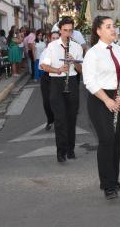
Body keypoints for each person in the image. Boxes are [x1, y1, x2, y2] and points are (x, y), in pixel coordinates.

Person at [83, 16, 120, 200]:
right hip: (100, 99)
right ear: (98, 31)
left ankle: (114, 177)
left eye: (114, 26)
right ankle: (107, 184)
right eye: (108, 26)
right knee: (106, 140)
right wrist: (106, 100)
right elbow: (89, 81)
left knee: (115, 140)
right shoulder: (93, 53)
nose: (113, 29)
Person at [39, 17, 83, 163]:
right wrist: (57, 70)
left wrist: (74, 62)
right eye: (65, 30)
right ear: (60, 30)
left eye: (70, 31)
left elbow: (81, 69)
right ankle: (61, 152)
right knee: (60, 120)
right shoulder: (52, 46)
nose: (67, 34)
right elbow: (44, 66)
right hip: (56, 83)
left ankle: (70, 149)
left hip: (71, 82)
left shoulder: (76, 47)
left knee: (71, 119)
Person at [39, 31, 59, 130]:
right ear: (50, 40)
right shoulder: (46, 51)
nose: (55, 40)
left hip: (59, 78)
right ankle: (50, 120)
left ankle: (59, 120)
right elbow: (42, 66)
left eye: (57, 38)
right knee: (47, 101)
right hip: (47, 78)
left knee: (58, 101)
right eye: (53, 38)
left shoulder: (64, 50)